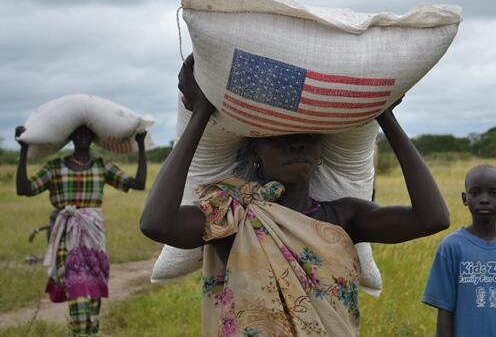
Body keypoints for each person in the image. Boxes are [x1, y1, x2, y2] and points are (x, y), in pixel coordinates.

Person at [139, 55, 451, 337]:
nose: (296, 144)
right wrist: (201, 114)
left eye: (308, 137)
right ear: (254, 151)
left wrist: (385, 116)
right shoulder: (233, 214)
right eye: (279, 138)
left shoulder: (346, 217)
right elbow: (157, 224)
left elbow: (431, 218)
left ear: (320, 153)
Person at [15, 124, 148, 336]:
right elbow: (24, 189)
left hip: (93, 238)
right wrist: (23, 150)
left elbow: (138, 184)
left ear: (94, 136)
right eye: (77, 132)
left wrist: (140, 145)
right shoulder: (55, 167)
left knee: (93, 292)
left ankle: (91, 331)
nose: (83, 135)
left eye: (87, 131)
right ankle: (80, 333)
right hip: (65, 237)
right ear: (70, 137)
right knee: (76, 288)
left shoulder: (101, 165)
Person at [422, 165, 496, 337]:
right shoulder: (451, 247)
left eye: (494, 193)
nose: (484, 199)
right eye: (475, 192)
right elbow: (444, 311)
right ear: (464, 198)